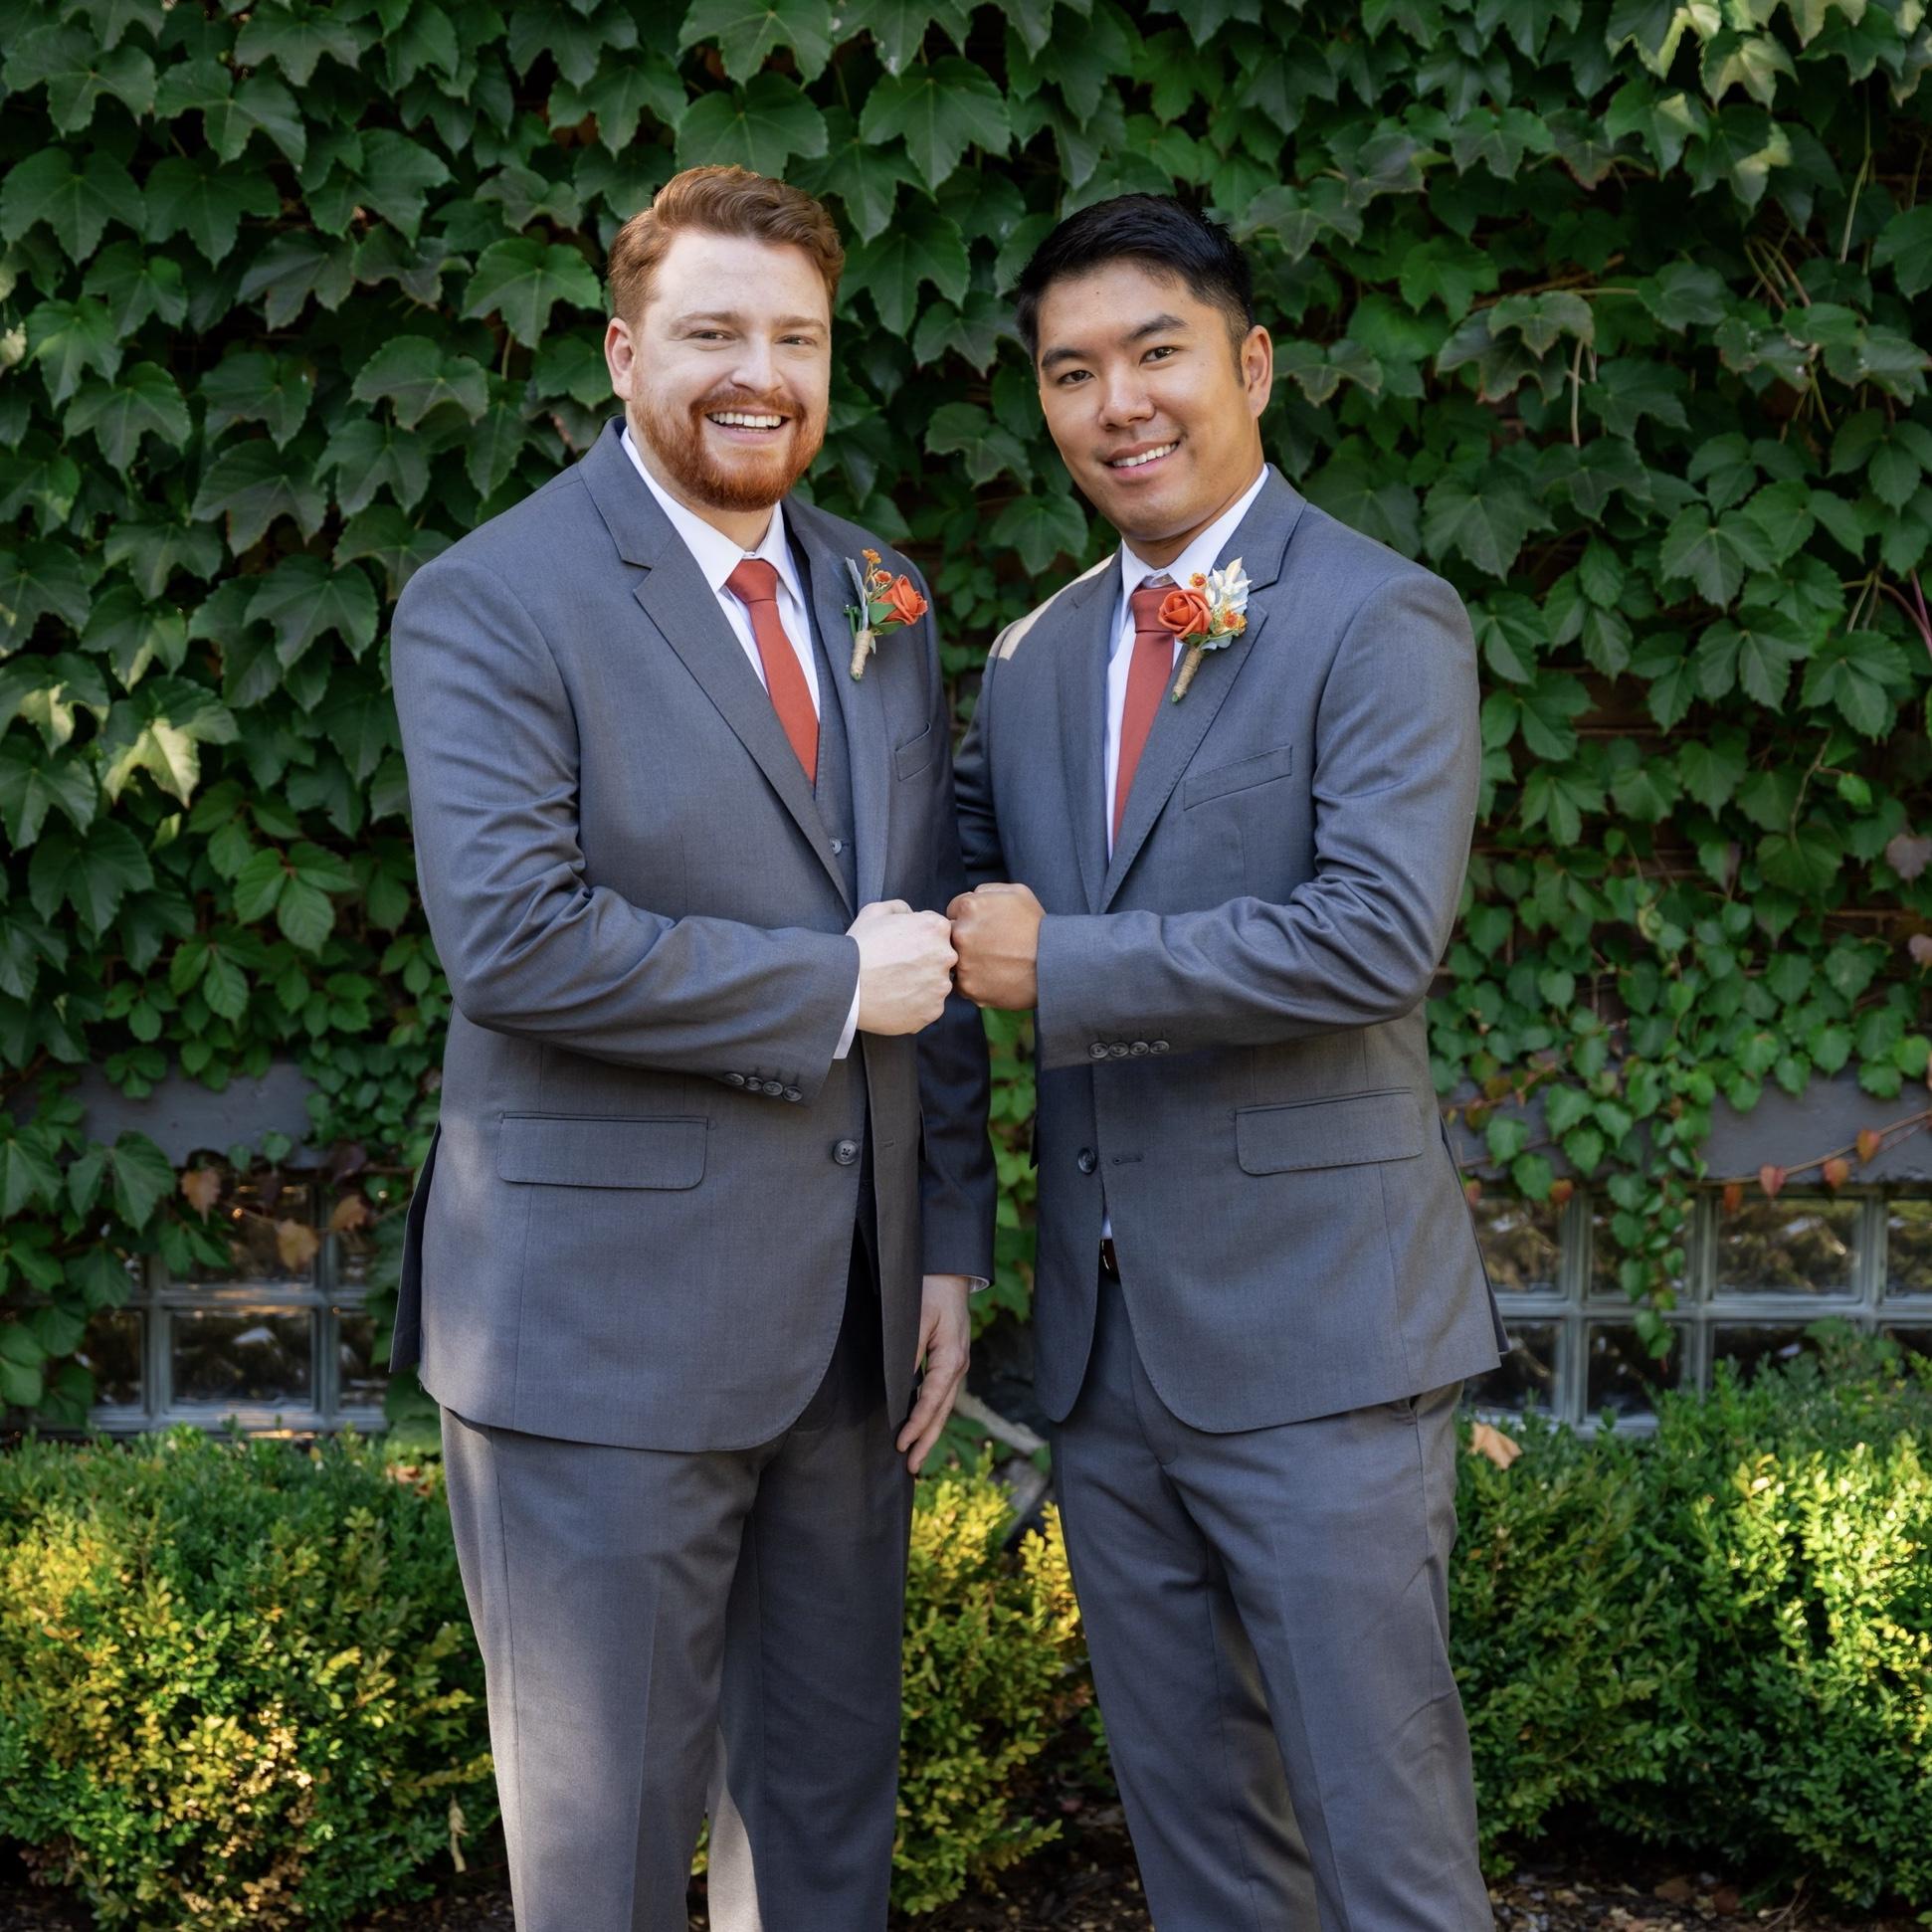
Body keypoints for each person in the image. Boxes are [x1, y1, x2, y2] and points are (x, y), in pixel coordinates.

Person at [389, 163, 995, 1932]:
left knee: (821, 1825)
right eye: (712, 331)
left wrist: (945, 1238)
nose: (759, 375)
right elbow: (515, 938)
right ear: (619, 351)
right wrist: (822, 988)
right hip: (600, 1338)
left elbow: (926, 932)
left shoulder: (880, 591)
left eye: (796, 338)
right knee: (608, 1856)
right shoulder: (495, 597)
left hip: (850, 1332)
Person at [950, 192, 1507, 1931]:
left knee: (1387, 1861)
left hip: (1324, 1345)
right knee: (1201, 1862)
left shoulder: (1379, 618)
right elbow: (922, 910)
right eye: (1070, 371)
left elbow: (1372, 935)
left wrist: (1063, 965)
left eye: (1154, 353)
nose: (1115, 402)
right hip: (1103, 1367)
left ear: (1249, 364)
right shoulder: (1030, 661)